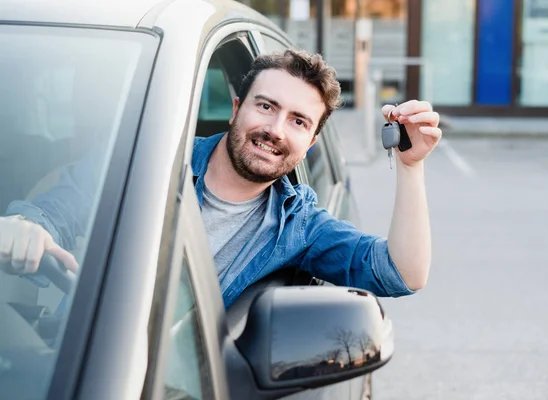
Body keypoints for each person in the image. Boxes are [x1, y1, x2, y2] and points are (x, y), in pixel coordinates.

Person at [0, 49, 441, 308]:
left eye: (299, 121)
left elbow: (401, 273)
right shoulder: (146, 162)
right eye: (265, 106)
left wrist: (410, 166)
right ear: (236, 109)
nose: (275, 130)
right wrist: (27, 229)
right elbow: (54, 210)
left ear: (310, 144)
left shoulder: (298, 225)